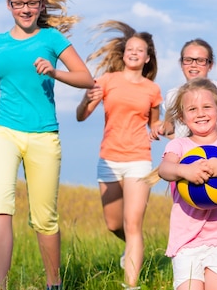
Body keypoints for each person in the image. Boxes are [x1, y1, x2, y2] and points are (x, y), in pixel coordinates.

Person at [0, 0, 95, 290]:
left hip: (43, 136)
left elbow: (86, 78)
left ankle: (54, 284)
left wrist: (55, 72)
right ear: (9, 5)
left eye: (32, 3)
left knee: (45, 218)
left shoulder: (52, 39)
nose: (26, 9)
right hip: (4, 131)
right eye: (19, 3)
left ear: (41, 5)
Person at [75, 20, 162, 290]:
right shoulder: (106, 80)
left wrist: (160, 129)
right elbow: (80, 117)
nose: (134, 53)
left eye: (140, 50)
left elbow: (154, 123)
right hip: (109, 159)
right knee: (114, 224)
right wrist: (86, 99)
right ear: (124, 53)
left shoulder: (152, 89)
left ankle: (131, 285)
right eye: (130, 49)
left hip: (139, 159)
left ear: (148, 58)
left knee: (133, 223)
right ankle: (132, 250)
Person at [157, 77, 217, 290]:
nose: (200, 113)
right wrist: (185, 170)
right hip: (185, 239)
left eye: (207, 107)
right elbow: (164, 169)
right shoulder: (179, 145)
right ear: (182, 117)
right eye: (192, 109)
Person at [161, 38, 217, 138]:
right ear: (181, 64)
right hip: (185, 152)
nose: (193, 65)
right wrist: (161, 129)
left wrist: (204, 128)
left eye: (200, 61)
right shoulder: (172, 95)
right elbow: (169, 127)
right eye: (188, 60)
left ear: (210, 65)